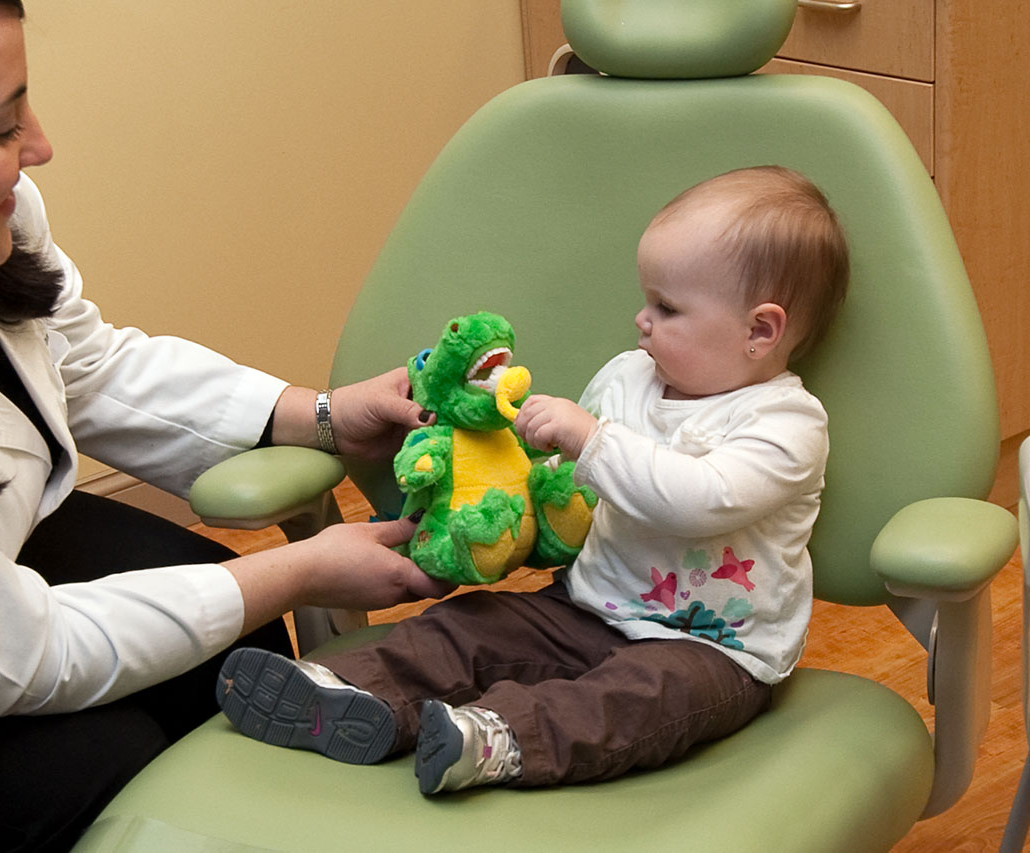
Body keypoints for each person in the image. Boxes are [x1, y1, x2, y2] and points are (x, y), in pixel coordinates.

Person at [0, 2, 453, 851]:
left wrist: (323, 417)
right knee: (94, 775)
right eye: (4, 125)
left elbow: (84, 364)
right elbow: (27, 654)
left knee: (235, 654)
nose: (39, 146)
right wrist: (301, 570)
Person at [217, 165, 850, 795]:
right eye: (646, 298)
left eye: (668, 307)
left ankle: (498, 739)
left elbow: (702, 500)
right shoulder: (629, 377)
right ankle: (353, 691)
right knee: (471, 626)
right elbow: (570, 487)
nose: (641, 320)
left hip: (713, 649)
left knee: (639, 700)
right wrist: (505, 496)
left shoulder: (786, 424)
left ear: (759, 331)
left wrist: (588, 439)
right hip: (586, 606)